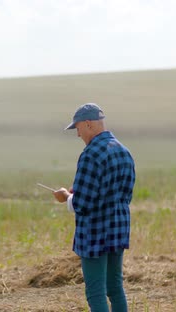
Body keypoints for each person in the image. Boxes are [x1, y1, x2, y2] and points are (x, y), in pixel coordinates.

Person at [52, 103, 135, 312]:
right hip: (119, 227)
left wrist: (66, 197)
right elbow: (124, 193)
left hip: (95, 233)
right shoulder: (124, 151)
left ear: (88, 124)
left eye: (77, 128)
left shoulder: (90, 154)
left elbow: (82, 204)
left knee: (95, 292)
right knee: (115, 288)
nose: (78, 134)